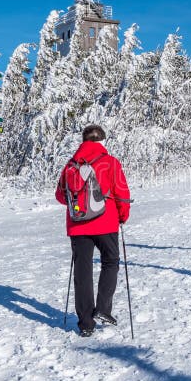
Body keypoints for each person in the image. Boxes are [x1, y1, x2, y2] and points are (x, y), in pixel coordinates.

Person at [55, 124, 131, 337]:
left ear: (83, 141)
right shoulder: (110, 162)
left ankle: (86, 323)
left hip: (78, 224)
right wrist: (123, 215)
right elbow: (122, 192)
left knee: (82, 271)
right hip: (106, 222)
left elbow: (60, 196)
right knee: (110, 261)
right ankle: (103, 309)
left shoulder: (71, 165)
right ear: (102, 141)